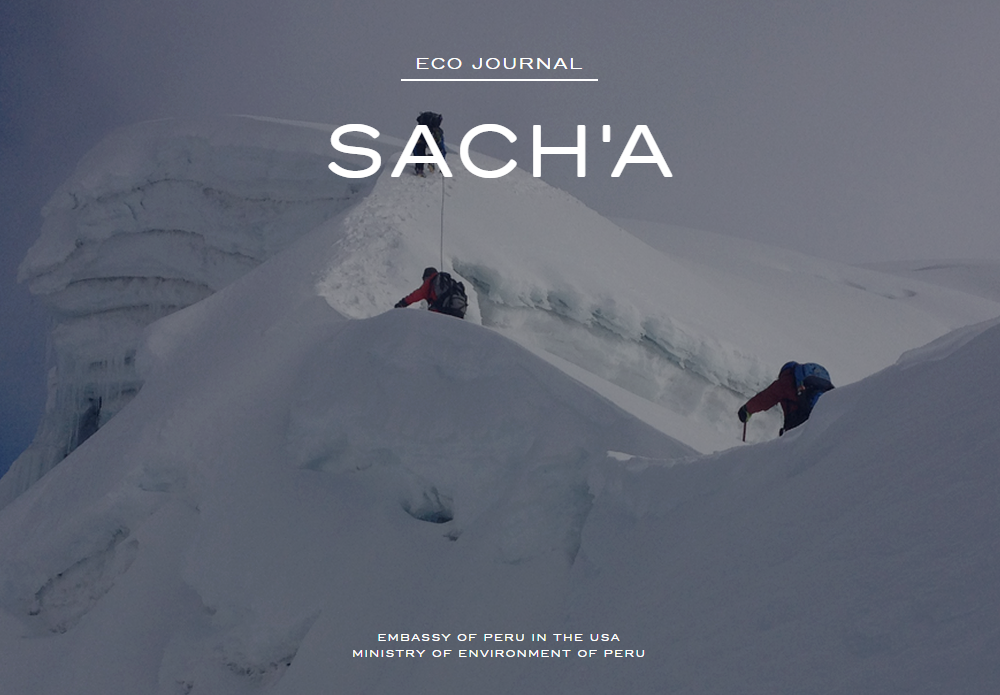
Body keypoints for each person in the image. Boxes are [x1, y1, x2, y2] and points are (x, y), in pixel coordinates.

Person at [738, 361, 834, 436]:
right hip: (819, 421)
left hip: (797, 423)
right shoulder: (815, 382)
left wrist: (747, 409)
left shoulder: (786, 380)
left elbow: (766, 397)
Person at [394, 267, 467, 318]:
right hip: (457, 311)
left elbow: (416, 295)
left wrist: (402, 303)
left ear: (426, 277)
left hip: (441, 311)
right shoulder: (449, 283)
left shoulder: (430, 281)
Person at [413, 111, 445, 176]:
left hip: (422, 138)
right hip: (434, 137)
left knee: (419, 149)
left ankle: (419, 169)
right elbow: (442, 149)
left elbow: (415, 149)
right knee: (440, 150)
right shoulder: (437, 132)